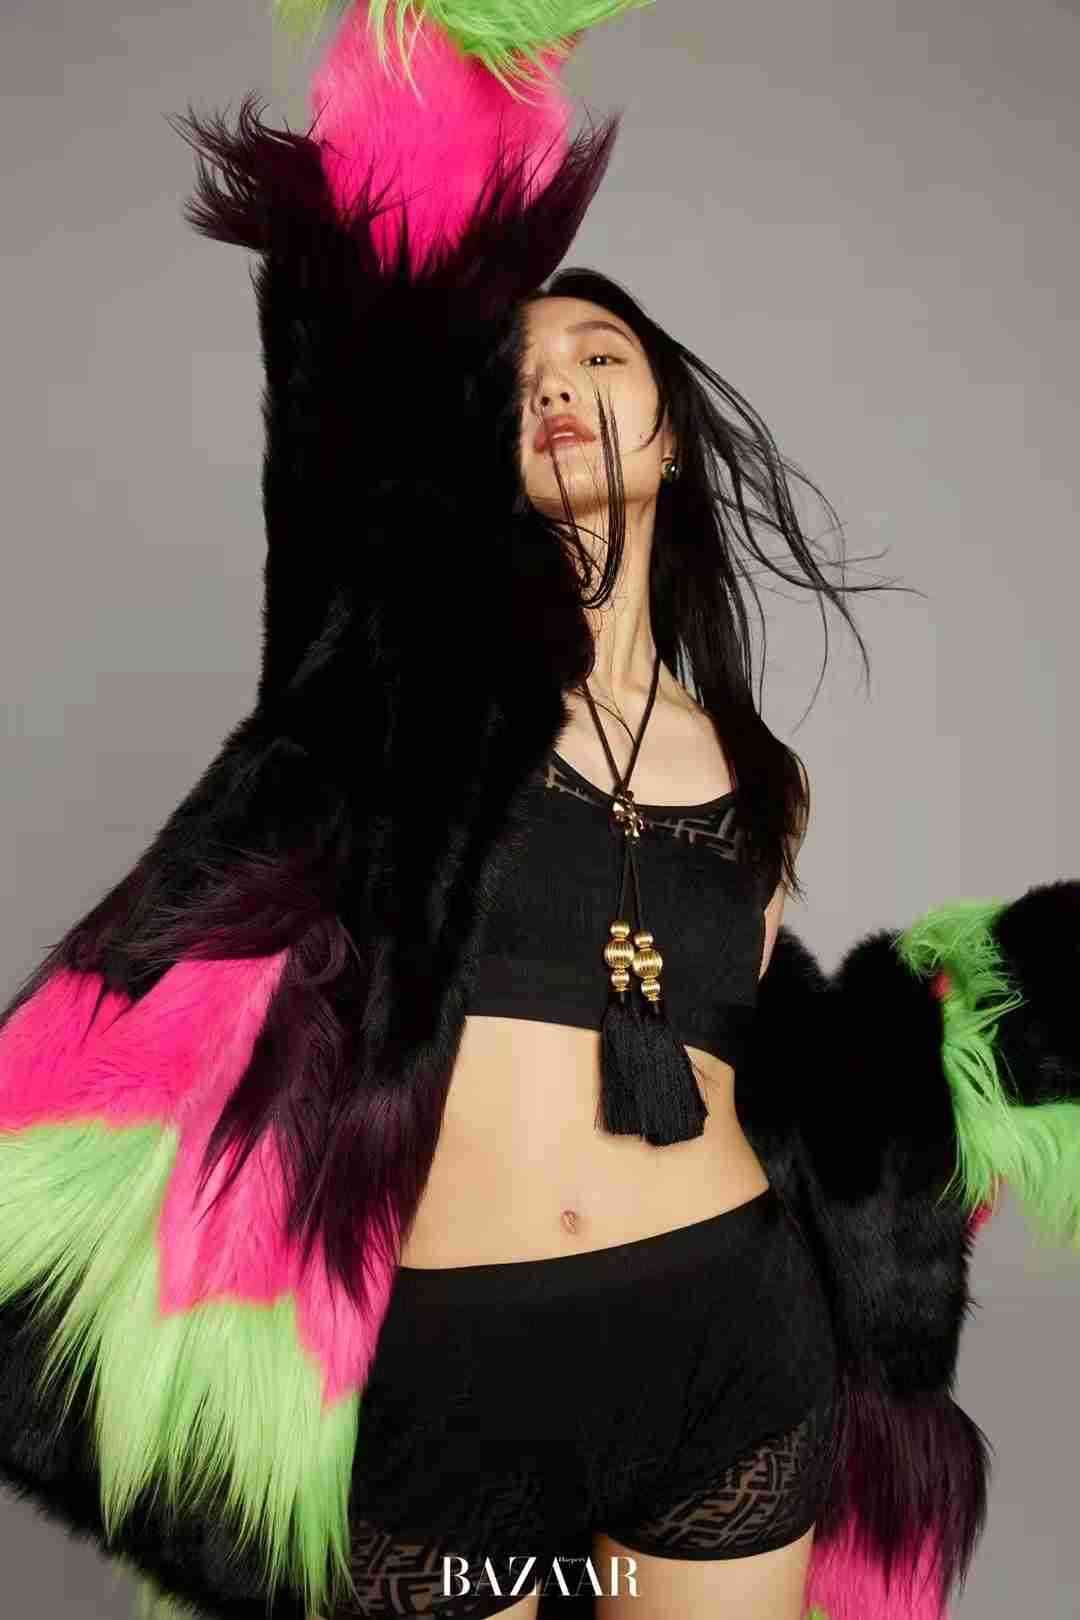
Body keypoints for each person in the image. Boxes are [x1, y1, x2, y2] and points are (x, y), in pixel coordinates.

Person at [1, 8, 1077, 1620]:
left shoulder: (761, 777)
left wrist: (973, 1031)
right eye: (524, 374)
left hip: (734, 1360)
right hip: (452, 1380)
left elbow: (762, 1061)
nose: (560, 385)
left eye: (602, 362)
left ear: (672, 438)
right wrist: (440, 82)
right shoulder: (399, 670)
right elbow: (355, 385)